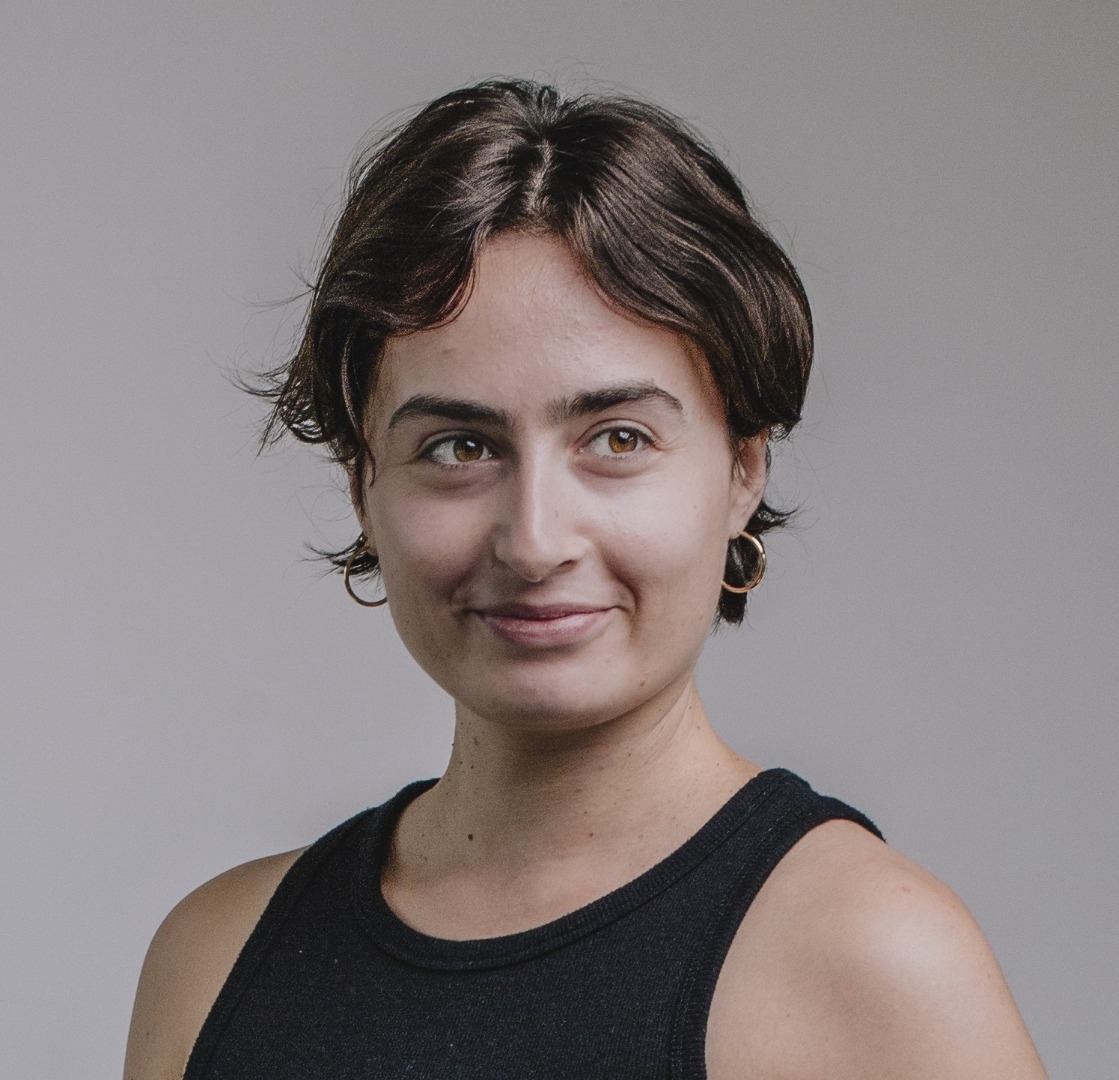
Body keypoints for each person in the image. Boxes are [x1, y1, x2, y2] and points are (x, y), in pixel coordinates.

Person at [124, 79, 1048, 1080]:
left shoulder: (869, 960)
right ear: (363, 485)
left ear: (743, 470)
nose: (534, 542)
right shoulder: (214, 960)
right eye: (459, 446)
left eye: (617, 439)